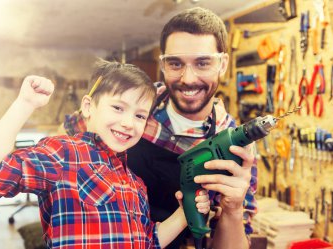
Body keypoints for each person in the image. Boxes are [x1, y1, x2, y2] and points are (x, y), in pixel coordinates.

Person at [63, 7, 256, 249]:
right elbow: (68, 136)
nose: (188, 78)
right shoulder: (131, 104)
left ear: (223, 63)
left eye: (203, 63)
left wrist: (233, 209)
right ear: (163, 64)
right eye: (176, 63)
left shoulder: (235, 147)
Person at [0, 60, 209, 249]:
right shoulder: (64, 153)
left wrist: (183, 214)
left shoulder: (136, 184)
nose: (128, 123)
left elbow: (148, 242)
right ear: (87, 107)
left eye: (139, 116)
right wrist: (25, 103)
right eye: (118, 107)